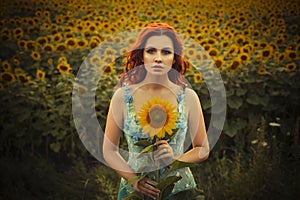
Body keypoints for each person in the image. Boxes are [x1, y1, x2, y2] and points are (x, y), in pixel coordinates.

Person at [103, 23, 209, 200]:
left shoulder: (187, 97)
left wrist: (175, 159)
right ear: (142, 55)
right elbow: (109, 150)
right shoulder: (123, 97)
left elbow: (203, 148)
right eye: (151, 50)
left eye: (166, 52)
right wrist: (134, 180)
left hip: (177, 190)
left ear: (175, 57)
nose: (158, 58)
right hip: (135, 192)